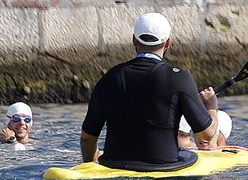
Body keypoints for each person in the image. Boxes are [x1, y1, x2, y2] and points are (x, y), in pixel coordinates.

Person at [79, 13, 218, 171]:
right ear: (168, 44)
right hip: (164, 168)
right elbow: (205, 136)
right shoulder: (179, 78)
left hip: (113, 165)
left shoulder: (110, 77)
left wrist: (90, 167)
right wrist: (211, 106)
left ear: (134, 40)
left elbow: (87, 138)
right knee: (189, 152)